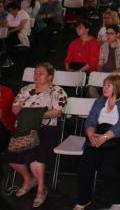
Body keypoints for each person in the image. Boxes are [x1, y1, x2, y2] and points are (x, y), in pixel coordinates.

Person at [5, 63, 67, 208]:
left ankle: (41, 189)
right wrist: (29, 117)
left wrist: (32, 115)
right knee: (11, 156)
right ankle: (28, 180)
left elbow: (57, 112)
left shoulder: (58, 91)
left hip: (47, 128)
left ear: (50, 76)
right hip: (25, 127)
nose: (36, 75)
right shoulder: (26, 89)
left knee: (35, 157)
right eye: (35, 73)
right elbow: (15, 108)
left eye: (41, 73)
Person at [74, 74, 120, 210]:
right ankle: (84, 199)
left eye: (108, 85)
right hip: (97, 137)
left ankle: (119, 199)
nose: (104, 88)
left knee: (108, 167)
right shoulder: (100, 102)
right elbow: (91, 120)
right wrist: (91, 134)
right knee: (85, 165)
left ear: (117, 87)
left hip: (118, 140)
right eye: (104, 85)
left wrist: (104, 138)